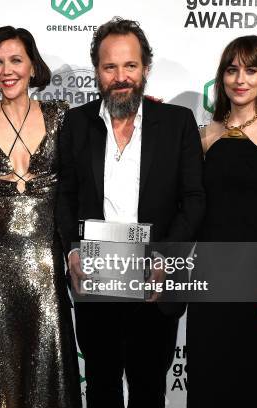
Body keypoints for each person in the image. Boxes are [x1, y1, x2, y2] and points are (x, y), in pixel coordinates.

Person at [56, 17, 205, 408]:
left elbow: (193, 199)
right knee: (101, 388)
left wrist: (167, 257)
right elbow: (64, 196)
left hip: (154, 282)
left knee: (149, 391)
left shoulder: (178, 123)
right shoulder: (75, 124)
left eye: (130, 66)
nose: (121, 77)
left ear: (145, 69)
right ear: (97, 72)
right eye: (110, 67)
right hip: (95, 279)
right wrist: (72, 250)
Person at [0, 26, 82, 408]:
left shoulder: (63, 116)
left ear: (32, 66)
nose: (7, 70)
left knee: (46, 366)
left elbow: (97, 154)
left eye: (15, 60)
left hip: (47, 264)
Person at [187, 35, 257, 408]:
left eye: (251, 69)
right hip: (209, 271)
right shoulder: (205, 135)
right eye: (232, 70)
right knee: (205, 377)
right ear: (222, 77)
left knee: (249, 379)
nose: (241, 79)